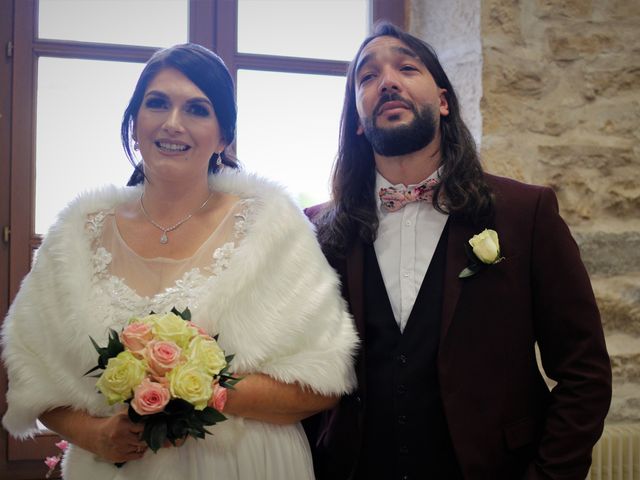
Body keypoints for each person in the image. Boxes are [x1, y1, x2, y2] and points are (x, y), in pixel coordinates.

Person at [1, 43, 358, 480]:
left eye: (196, 109)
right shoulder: (77, 233)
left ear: (223, 136)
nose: (173, 123)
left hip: (245, 466)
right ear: (135, 124)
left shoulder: (270, 225)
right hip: (117, 467)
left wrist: (200, 388)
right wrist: (94, 434)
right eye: (157, 104)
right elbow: (35, 376)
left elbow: (320, 384)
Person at [304, 22, 612, 480]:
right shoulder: (316, 229)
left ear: (444, 101)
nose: (386, 81)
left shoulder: (527, 214)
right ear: (358, 120)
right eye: (366, 78)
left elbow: (584, 372)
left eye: (407, 68)